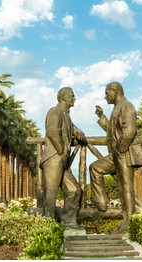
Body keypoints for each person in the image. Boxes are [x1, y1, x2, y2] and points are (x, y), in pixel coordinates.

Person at [89, 81, 142, 233]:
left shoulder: (126, 106)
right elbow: (111, 130)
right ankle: (100, 201)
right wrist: (101, 116)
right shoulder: (117, 108)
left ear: (115, 91)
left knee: (125, 187)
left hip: (124, 154)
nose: (105, 96)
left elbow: (130, 131)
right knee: (95, 168)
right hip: (117, 154)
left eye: (107, 93)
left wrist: (120, 150)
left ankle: (129, 223)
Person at [40, 87, 85, 229]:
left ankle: (69, 221)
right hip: (53, 157)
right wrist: (63, 150)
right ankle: (47, 227)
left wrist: (78, 132)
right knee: (50, 195)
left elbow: (71, 127)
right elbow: (52, 131)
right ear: (63, 97)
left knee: (74, 189)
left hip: (62, 160)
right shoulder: (55, 111)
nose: (74, 98)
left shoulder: (66, 115)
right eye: (72, 96)